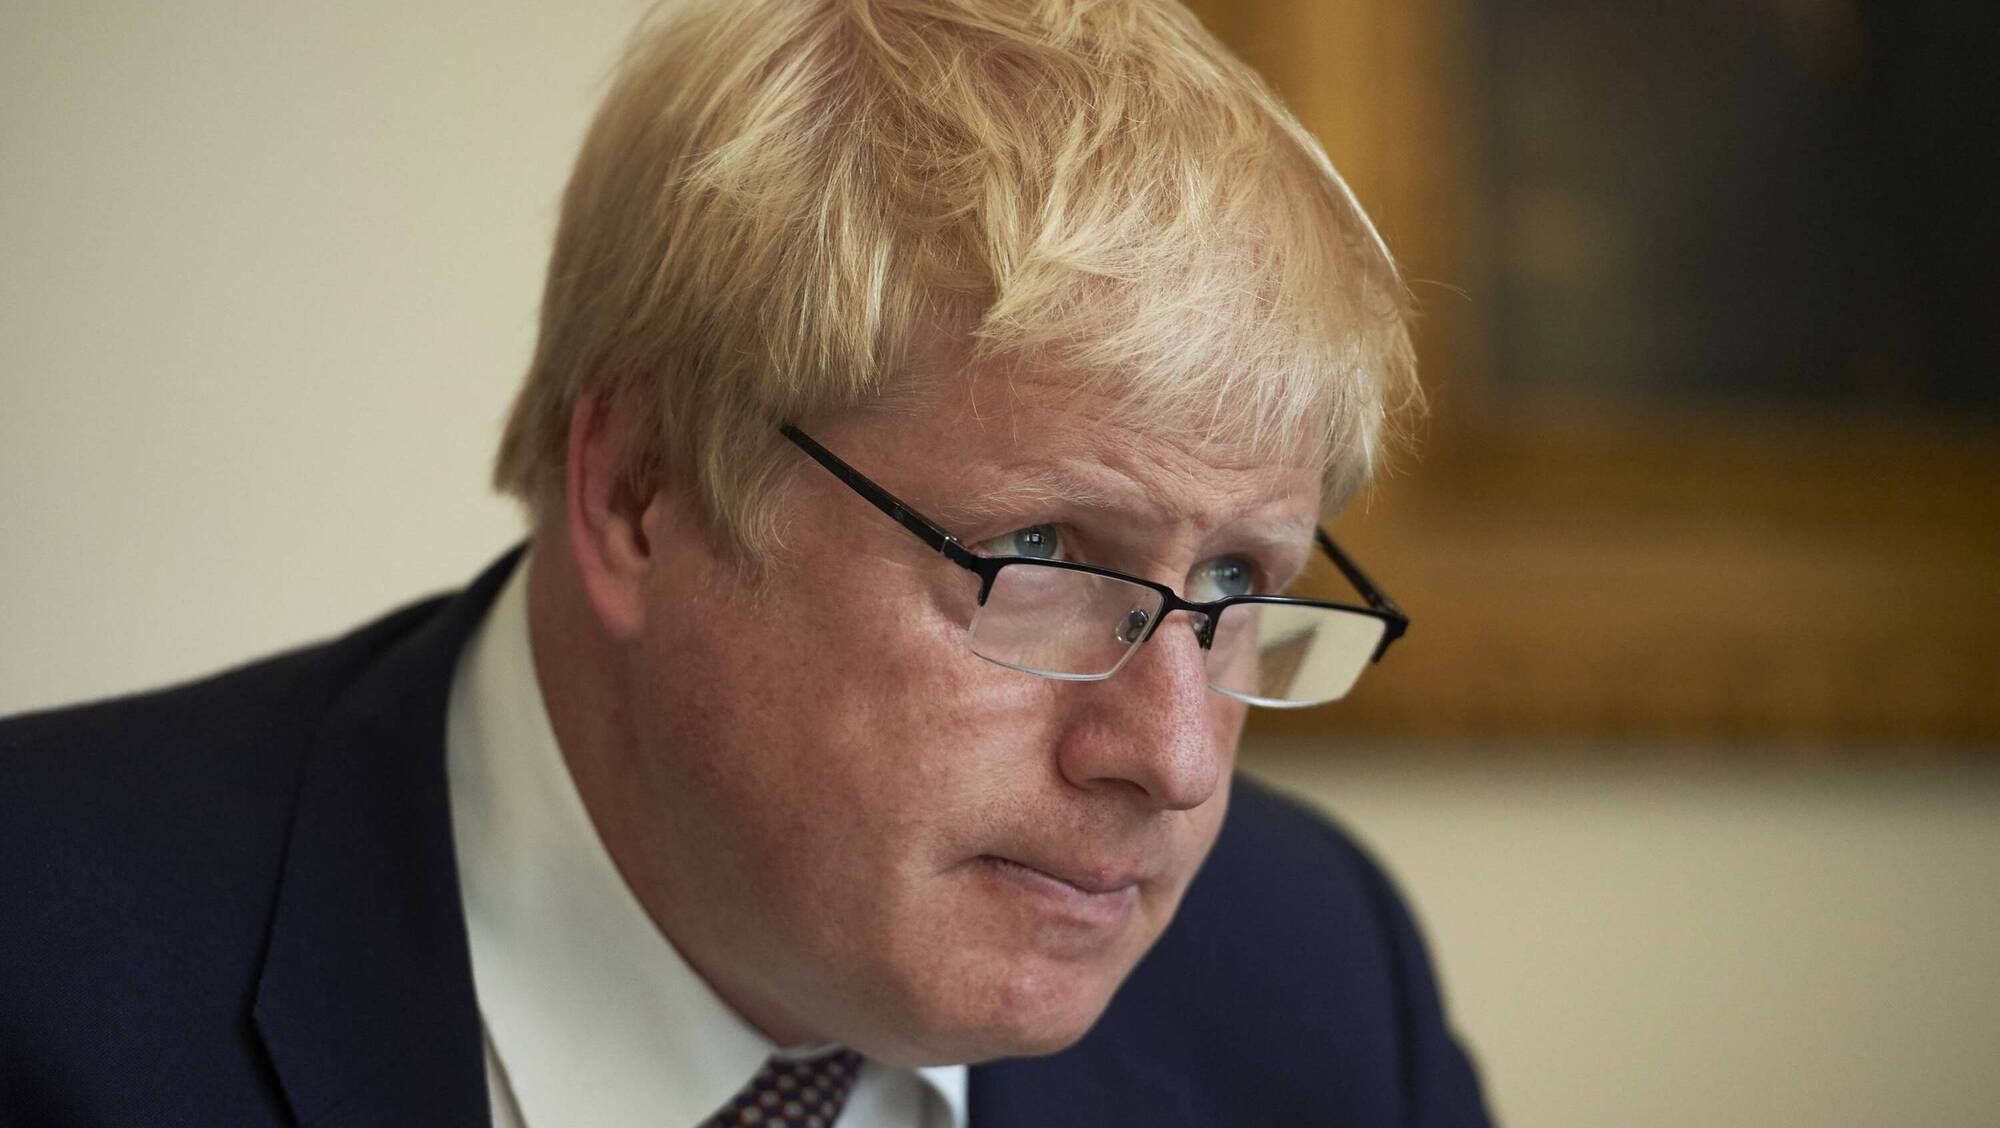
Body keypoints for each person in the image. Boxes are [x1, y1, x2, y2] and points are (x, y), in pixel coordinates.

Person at [0, 0, 1490, 1124]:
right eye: (1039, 554)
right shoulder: (43, 959)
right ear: (640, 492)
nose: (1172, 759)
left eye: (1234, 583)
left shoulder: (1319, 986)